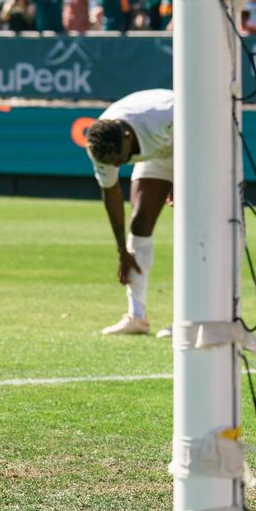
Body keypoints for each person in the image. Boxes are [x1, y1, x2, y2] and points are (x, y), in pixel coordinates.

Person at [82, 88, 174, 336]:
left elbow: (202, 136)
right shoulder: (102, 147)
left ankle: (193, 318)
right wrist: (122, 251)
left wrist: (181, 181)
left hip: (198, 142)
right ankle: (137, 317)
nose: (116, 166)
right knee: (140, 223)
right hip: (159, 152)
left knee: (194, 225)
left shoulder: (164, 114)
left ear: (127, 136)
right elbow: (112, 194)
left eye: (119, 159)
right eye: (110, 163)